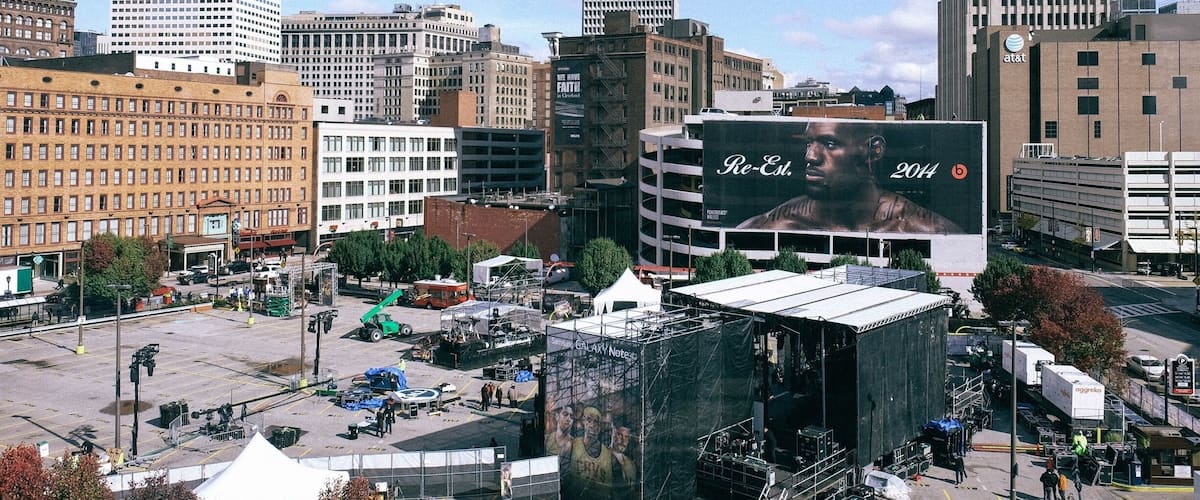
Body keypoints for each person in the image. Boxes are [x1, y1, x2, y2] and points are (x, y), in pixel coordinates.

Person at [736, 121, 963, 233]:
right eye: (808, 143)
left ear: (873, 150)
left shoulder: (926, 228)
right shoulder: (771, 225)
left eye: (829, 143)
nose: (810, 156)